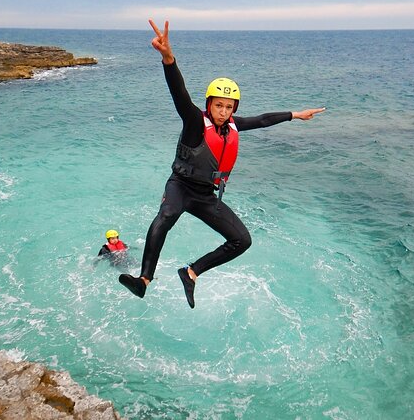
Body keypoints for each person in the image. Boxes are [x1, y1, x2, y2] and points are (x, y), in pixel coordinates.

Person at [119, 20, 325, 308]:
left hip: (206, 195)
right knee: (165, 216)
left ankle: (191, 273)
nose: (223, 111)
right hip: (181, 186)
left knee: (242, 240)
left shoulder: (233, 126)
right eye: (219, 105)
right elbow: (179, 92)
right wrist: (168, 58)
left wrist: (296, 115)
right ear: (209, 104)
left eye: (229, 107)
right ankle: (143, 280)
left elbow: (264, 120)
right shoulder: (194, 121)